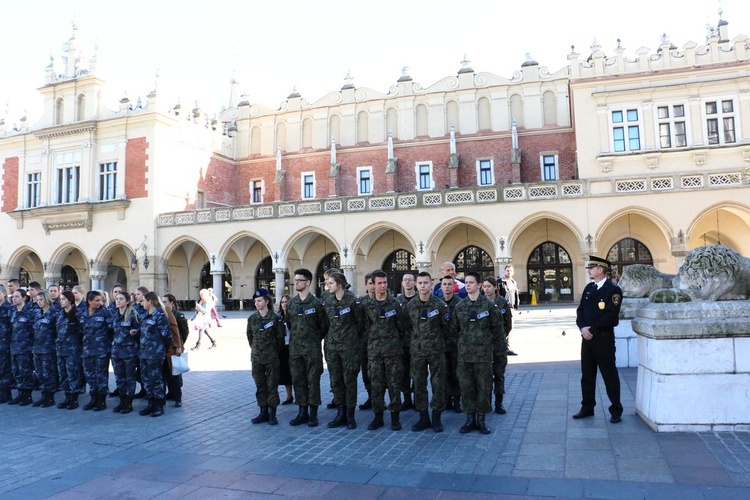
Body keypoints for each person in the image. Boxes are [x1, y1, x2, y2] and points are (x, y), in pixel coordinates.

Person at [452, 271, 505, 435]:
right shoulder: (460, 307)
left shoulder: (489, 306)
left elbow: (498, 330)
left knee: (483, 387)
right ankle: (469, 419)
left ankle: (481, 419)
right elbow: (454, 330)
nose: (468, 285)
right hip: (465, 357)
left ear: (479, 285)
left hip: (483, 356)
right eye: (466, 282)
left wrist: (495, 352)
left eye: (471, 282)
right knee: (467, 388)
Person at [574, 256, 624, 424]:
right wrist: (582, 328)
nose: (588, 270)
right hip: (587, 339)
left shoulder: (613, 290)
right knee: (587, 375)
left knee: (609, 375)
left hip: (603, 339)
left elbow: (611, 316)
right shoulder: (589, 288)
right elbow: (580, 311)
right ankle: (587, 407)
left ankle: (616, 409)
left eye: (591, 267)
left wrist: (592, 330)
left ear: (600, 269)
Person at [362, 270, 409, 431]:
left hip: (393, 352)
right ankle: (378, 417)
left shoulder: (394, 304)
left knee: (394, 385)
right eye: (379, 283)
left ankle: (395, 418)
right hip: (374, 352)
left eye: (385, 283)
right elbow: (364, 326)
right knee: (376, 385)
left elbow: (402, 326)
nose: (383, 286)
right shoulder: (366, 305)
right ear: (373, 285)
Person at [404, 272, 451, 432]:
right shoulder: (410, 306)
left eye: (426, 283)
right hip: (417, 352)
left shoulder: (440, 306)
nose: (423, 286)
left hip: (436, 351)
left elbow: (447, 328)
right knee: (419, 384)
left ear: (431, 284)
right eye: (420, 283)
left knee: (438, 384)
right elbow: (406, 327)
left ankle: (436, 418)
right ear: (416, 285)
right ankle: (423, 417)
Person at [285, 268, 329, 427]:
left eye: (299, 280)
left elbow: (323, 326)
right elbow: (289, 324)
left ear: (308, 282)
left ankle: (313, 413)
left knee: (313, 381)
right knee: (298, 381)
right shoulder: (290, 304)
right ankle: (302, 411)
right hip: (295, 351)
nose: (295, 282)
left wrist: (313, 340)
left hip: (312, 350)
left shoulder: (316, 304)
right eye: (295, 280)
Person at [322, 272, 366, 429]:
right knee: (336, 381)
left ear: (339, 284)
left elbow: (360, 324)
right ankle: (340, 414)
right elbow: (327, 323)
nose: (328, 286)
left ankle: (350, 415)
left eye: (331, 283)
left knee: (350, 381)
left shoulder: (353, 301)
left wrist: (351, 339)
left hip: (350, 348)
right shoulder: (328, 301)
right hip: (333, 347)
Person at [246, 288, 286, 425]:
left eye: (259, 300)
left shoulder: (275, 318)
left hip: (271, 359)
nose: (256, 303)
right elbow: (250, 338)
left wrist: (272, 352)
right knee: (260, 385)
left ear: (267, 301)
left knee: (272, 386)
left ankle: (272, 414)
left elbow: (280, 339)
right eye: (255, 301)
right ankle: (263, 411)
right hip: (257, 358)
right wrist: (258, 350)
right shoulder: (252, 319)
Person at [137, 291, 172, 417]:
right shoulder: (145, 315)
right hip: (144, 353)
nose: (142, 303)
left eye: (143, 301)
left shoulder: (160, 315)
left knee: (156, 380)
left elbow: (167, 336)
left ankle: (159, 405)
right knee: (146, 380)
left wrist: (162, 349)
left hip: (155, 353)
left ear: (150, 301)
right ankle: (150, 404)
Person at [482, 276, 512, 414]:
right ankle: (486, 402)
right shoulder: (480, 303)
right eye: (484, 286)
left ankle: (499, 403)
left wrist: (500, 336)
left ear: (495, 287)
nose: (486, 289)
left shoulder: (502, 303)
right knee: (485, 376)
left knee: (499, 375)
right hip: (483, 346)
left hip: (499, 345)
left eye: (489, 286)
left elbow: (508, 324)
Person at [80, 291, 113, 411]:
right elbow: (80, 330)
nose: (100, 303)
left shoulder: (105, 313)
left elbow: (112, 330)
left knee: (101, 375)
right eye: (97, 300)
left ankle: (101, 400)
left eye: (101, 300)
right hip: (87, 349)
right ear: (89, 301)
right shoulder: (82, 312)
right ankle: (93, 398)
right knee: (90, 375)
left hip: (101, 349)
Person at [8, 289, 41, 405]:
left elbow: (34, 331)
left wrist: (31, 346)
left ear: (24, 298)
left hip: (25, 348)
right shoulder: (12, 312)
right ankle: (20, 393)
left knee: (25, 372)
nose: (14, 299)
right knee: (16, 372)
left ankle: (27, 395)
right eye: (13, 297)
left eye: (17, 297)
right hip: (14, 347)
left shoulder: (29, 312)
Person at [111, 291, 140, 414]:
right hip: (116, 351)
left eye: (121, 299)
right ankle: (122, 401)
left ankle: (129, 402)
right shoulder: (114, 314)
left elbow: (141, 328)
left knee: (129, 378)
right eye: (117, 299)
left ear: (127, 301)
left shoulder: (133, 314)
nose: (118, 301)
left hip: (129, 352)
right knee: (119, 378)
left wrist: (135, 331)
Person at [55, 291, 85, 409]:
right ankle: (67, 397)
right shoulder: (60, 314)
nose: (61, 301)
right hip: (61, 349)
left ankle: (74, 399)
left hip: (73, 349)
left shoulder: (78, 314)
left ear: (70, 300)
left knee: (73, 374)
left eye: (63, 299)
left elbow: (81, 332)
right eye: (60, 299)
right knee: (63, 375)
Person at [32, 291, 59, 407]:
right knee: (39, 373)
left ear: (47, 300)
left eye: (41, 300)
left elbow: (57, 332)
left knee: (49, 373)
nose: (39, 302)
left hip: (48, 349)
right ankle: (44, 395)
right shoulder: (38, 314)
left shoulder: (54, 314)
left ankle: (50, 397)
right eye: (37, 300)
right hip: (37, 348)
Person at [440, 275, 462, 413]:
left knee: (456, 373)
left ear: (453, 286)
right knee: (444, 373)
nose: (447, 287)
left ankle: (457, 401)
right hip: (441, 344)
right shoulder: (437, 303)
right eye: (445, 284)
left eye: (449, 284)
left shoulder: (459, 303)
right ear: (441, 286)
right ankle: (446, 399)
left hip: (455, 345)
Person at [396, 273, 416, 411]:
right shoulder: (397, 301)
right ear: (402, 283)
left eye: (410, 280)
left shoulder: (419, 299)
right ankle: (407, 399)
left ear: (414, 283)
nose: (407, 282)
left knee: (417, 373)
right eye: (405, 280)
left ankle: (417, 400)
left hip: (417, 343)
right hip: (401, 344)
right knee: (403, 373)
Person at [161, 294, 185, 408]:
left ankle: (177, 397)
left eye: (165, 301)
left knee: (174, 374)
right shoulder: (156, 312)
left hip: (172, 349)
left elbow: (179, 330)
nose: (163, 303)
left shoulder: (169, 313)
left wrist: (178, 345)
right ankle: (167, 395)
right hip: (161, 350)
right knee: (164, 374)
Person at [357, 273, 375, 410]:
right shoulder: (361, 303)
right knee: (365, 371)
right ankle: (370, 396)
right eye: (370, 283)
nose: (373, 286)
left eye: (375, 283)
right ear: (366, 285)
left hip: (380, 344)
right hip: (364, 343)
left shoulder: (386, 301)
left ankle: (379, 399)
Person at [499, 264, 520, 355]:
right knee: (504, 327)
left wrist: (516, 306)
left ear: (513, 272)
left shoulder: (513, 282)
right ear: (504, 271)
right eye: (507, 270)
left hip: (511, 309)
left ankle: (506, 346)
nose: (509, 272)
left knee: (510, 327)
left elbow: (515, 295)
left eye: (510, 270)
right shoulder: (500, 282)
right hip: (503, 308)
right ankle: (503, 346)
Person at [276, 294, 293, 405]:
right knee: (285, 373)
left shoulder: (294, 315)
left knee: (296, 373)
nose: (284, 303)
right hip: (283, 347)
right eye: (282, 302)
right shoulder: (278, 316)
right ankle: (289, 396)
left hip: (294, 346)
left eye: (286, 301)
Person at [0, 285, 13, 403]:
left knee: (5, 369)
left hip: (5, 343)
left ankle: (6, 393)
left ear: (4, 294)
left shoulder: (9, 308)